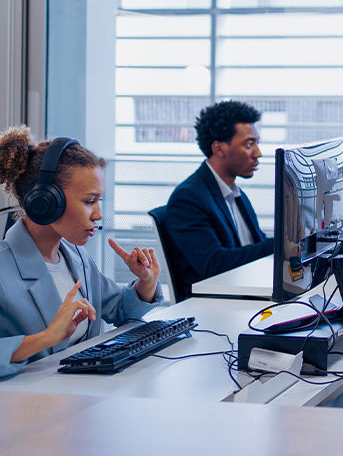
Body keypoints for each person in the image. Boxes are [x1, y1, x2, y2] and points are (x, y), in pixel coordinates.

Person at [0, 127, 163, 379]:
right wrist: (46, 338)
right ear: (45, 201)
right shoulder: (4, 267)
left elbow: (120, 309)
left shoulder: (74, 256)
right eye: (89, 201)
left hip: (78, 397)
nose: (98, 215)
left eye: (100, 201)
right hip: (26, 408)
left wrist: (146, 282)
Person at [165, 101, 273, 300]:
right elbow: (214, 265)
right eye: (249, 144)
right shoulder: (188, 199)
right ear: (219, 148)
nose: (258, 153)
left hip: (248, 292)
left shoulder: (236, 193)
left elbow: (255, 243)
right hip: (218, 307)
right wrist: (282, 245)